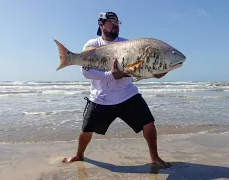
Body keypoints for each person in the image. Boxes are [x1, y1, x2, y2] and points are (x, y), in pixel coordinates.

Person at [62, 12, 170, 168]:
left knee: (149, 124)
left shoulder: (127, 44)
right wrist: (111, 75)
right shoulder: (93, 44)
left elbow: (138, 68)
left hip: (127, 94)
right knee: (86, 130)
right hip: (101, 97)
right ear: (101, 25)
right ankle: (79, 155)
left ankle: (155, 158)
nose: (116, 24)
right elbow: (85, 71)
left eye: (117, 22)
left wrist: (154, 73)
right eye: (111, 21)